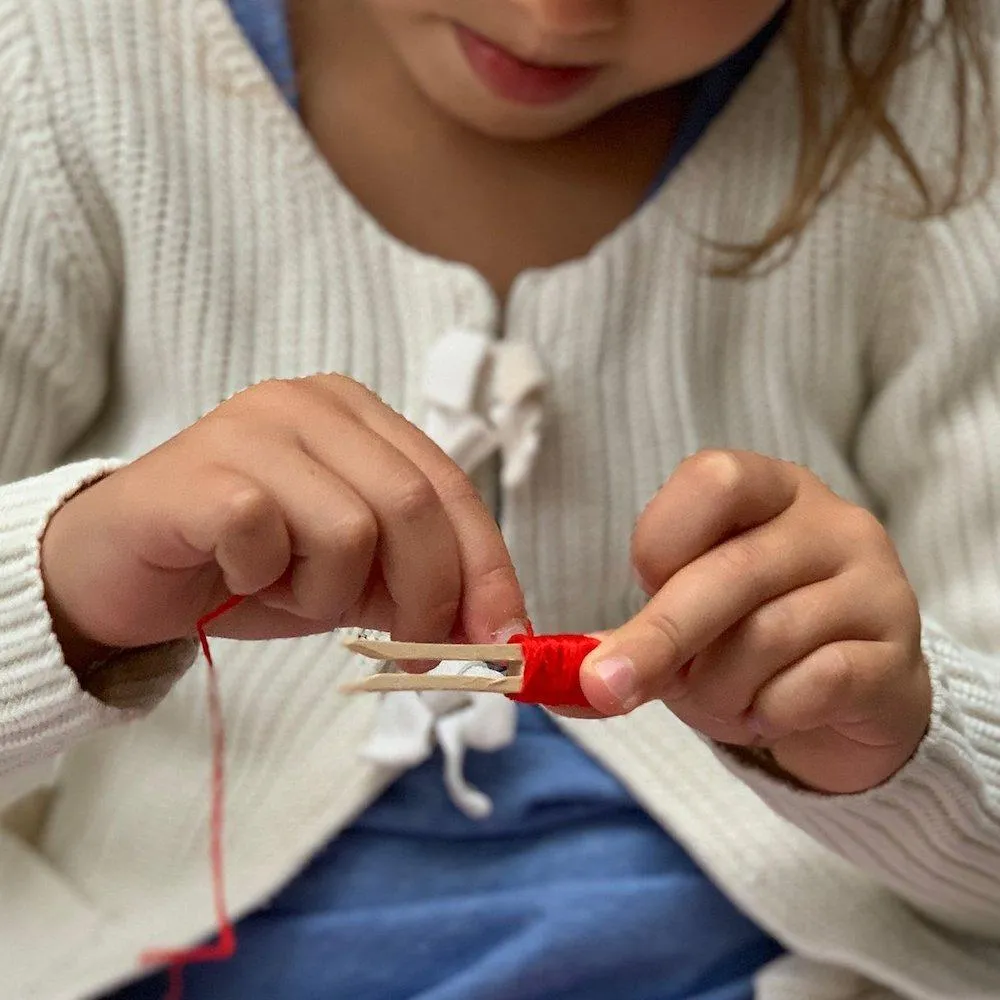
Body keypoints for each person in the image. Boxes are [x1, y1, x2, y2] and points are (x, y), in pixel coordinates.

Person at [0, 0, 998, 997]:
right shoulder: (66, 56)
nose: (556, 15)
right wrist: (63, 592)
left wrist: (904, 742)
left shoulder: (946, 99)